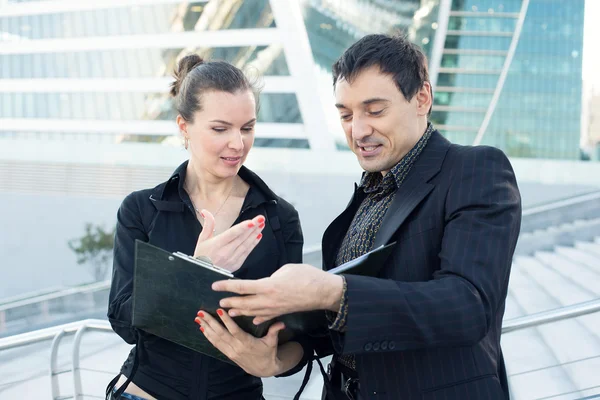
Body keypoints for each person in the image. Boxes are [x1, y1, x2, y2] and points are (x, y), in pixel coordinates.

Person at [199, 34, 522, 400]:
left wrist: (330, 290)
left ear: (422, 99)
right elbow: (340, 323)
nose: (358, 130)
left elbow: (468, 305)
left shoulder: (475, 168)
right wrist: (273, 359)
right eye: (346, 114)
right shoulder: (368, 193)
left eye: (375, 110)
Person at [106, 54, 311, 400]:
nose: (238, 143)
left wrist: (272, 362)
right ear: (184, 127)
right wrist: (193, 269)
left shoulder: (279, 219)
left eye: (247, 127)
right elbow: (124, 321)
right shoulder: (142, 210)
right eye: (220, 129)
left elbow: (299, 337)